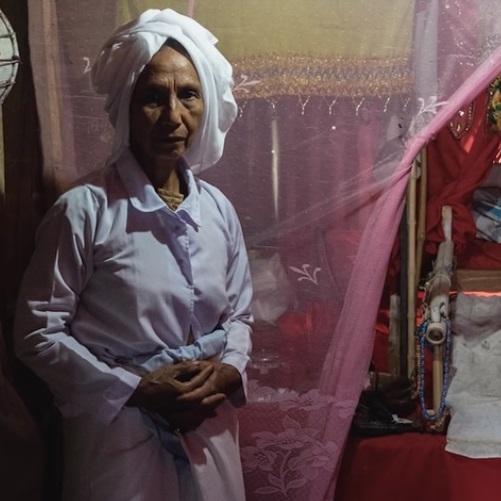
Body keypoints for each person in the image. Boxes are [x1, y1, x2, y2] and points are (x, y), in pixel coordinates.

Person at [14, 8, 253, 501]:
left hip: (209, 428)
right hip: (118, 439)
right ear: (126, 104)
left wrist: (228, 371)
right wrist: (133, 388)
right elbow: (36, 333)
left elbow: (240, 317)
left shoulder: (219, 211)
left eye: (188, 95)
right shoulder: (84, 210)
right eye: (153, 97)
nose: (173, 116)